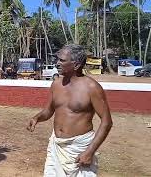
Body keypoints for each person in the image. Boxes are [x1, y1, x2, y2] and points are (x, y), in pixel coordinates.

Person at [27, 44, 113, 177]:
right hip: (56, 147)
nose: (57, 63)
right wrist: (37, 118)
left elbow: (107, 122)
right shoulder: (56, 84)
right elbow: (48, 111)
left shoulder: (92, 88)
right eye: (58, 59)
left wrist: (90, 151)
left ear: (76, 65)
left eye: (62, 60)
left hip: (79, 149)